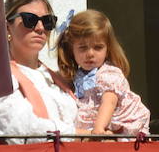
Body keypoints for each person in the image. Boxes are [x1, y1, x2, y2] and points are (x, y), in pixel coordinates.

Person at [0, 0, 80, 141]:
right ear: (7, 27)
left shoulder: (57, 79)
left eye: (47, 21)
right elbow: (24, 130)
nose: (40, 28)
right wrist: (81, 134)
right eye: (30, 20)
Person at [55, 9, 150, 137]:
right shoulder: (79, 75)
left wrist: (99, 128)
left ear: (108, 48)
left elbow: (109, 102)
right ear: (71, 49)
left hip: (115, 122)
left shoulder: (109, 73)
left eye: (98, 47)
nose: (90, 54)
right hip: (97, 126)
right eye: (83, 48)